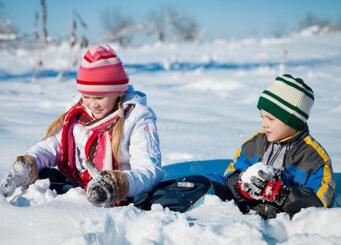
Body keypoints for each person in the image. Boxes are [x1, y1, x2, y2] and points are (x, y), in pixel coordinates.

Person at [0, 44, 163, 207]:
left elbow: (149, 171)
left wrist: (116, 183)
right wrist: (31, 161)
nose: (92, 104)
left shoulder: (137, 118)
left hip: (122, 198)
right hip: (80, 190)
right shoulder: (78, 114)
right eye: (86, 96)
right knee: (45, 175)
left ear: (119, 91)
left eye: (100, 98)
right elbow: (54, 146)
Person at [224, 74, 335, 218]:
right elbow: (230, 172)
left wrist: (283, 195)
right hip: (248, 218)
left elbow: (321, 200)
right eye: (262, 117)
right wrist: (240, 185)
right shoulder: (256, 143)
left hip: (285, 228)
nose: (264, 124)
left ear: (292, 121)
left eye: (270, 119)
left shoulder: (314, 158)